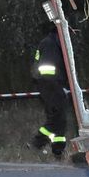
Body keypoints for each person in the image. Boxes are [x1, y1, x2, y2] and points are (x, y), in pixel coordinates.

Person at [31, 26, 67, 156]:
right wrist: (58, 85)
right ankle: (37, 143)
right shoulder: (50, 44)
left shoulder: (51, 42)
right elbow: (47, 69)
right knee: (56, 118)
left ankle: (58, 149)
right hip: (50, 85)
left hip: (51, 85)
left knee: (60, 118)